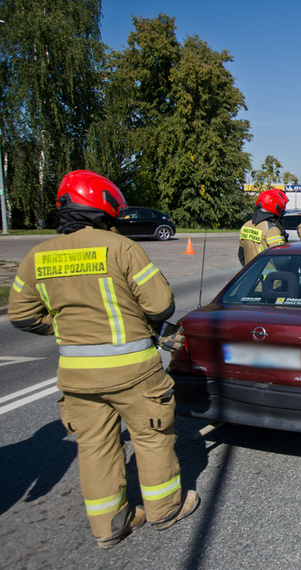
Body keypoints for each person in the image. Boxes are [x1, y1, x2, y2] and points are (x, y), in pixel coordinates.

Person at [8, 170, 199, 549]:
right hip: (134, 374)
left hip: (77, 379)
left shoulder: (37, 256)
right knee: (152, 438)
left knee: (95, 448)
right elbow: (159, 305)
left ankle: (110, 526)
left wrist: (64, 328)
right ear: (104, 206)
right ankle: (164, 511)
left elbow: (21, 314)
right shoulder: (119, 247)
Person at [239, 189, 287, 266]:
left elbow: (241, 255)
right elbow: (281, 260)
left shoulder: (246, 225)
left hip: (251, 272)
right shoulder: (271, 229)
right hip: (268, 273)